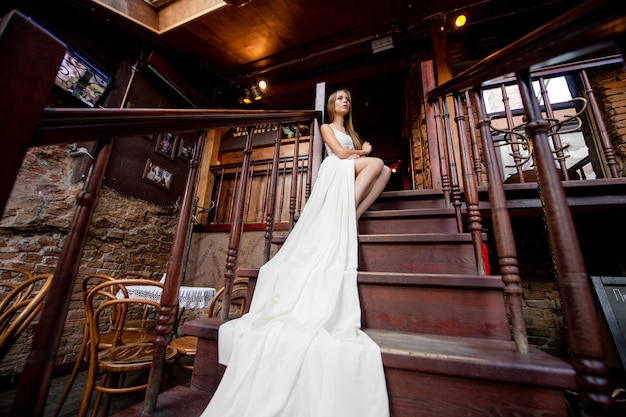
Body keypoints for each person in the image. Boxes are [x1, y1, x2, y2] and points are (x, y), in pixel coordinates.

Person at [199, 89, 390, 417]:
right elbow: (342, 156)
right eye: (340, 98)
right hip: (336, 172)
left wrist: (360, 150)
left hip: (348, 171)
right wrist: (363, 150)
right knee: (376, 162)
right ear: (331, 105)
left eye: (348, 98)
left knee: (384, 172)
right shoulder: (328, 127)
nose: (344, 101)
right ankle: (342, 216)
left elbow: (355, 157)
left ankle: (347, 217)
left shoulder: (353, 131)